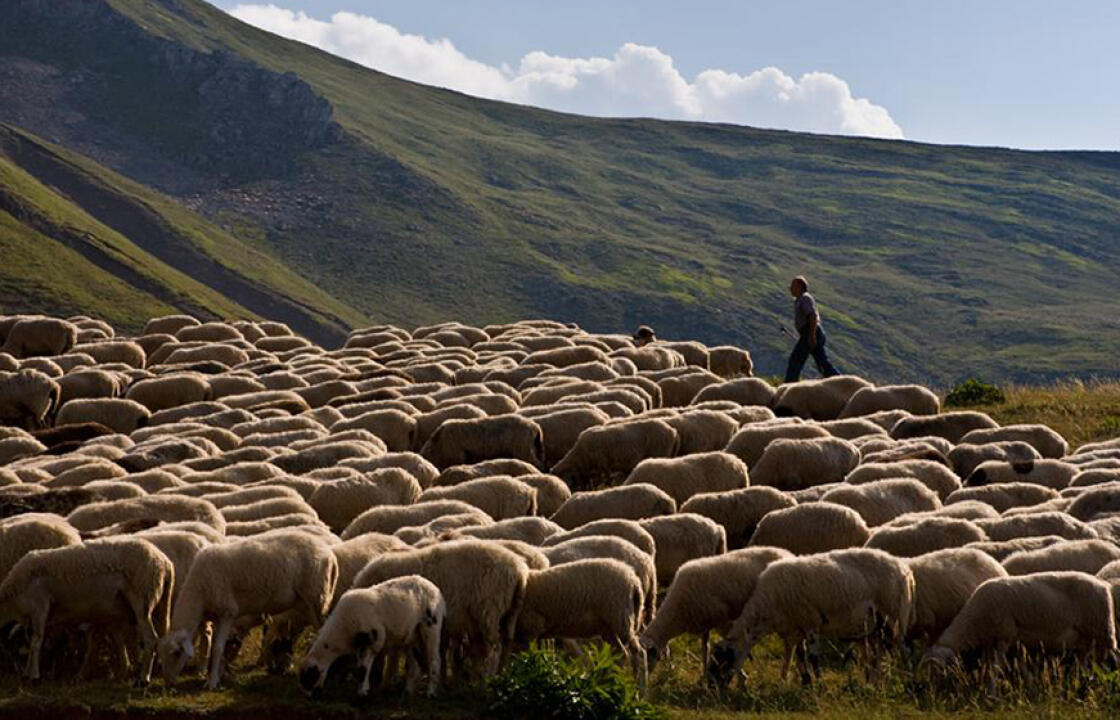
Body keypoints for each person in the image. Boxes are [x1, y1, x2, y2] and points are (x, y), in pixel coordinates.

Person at [784, 276, 840, 382]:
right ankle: (839, 382)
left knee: (795, 360)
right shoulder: (800, 299)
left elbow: (812, 316)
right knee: (822, 362)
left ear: (800, 286)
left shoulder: (804, 298)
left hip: (810, 332)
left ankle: (789, 386)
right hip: (811, 332)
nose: (790, 288)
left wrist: (811, 335)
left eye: (793, 286)